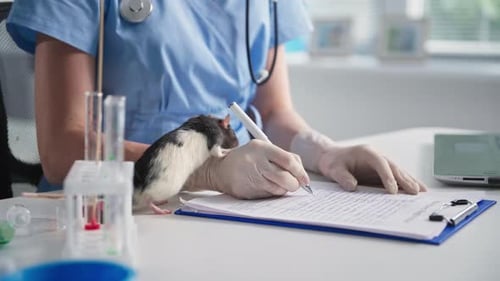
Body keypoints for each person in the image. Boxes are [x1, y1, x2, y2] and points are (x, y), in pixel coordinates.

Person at [6, 0, 426, 198]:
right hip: (111, 209)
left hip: (237, 205)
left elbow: (275, 113)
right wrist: (209, 172)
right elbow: (63, 148)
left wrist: (325, 152)